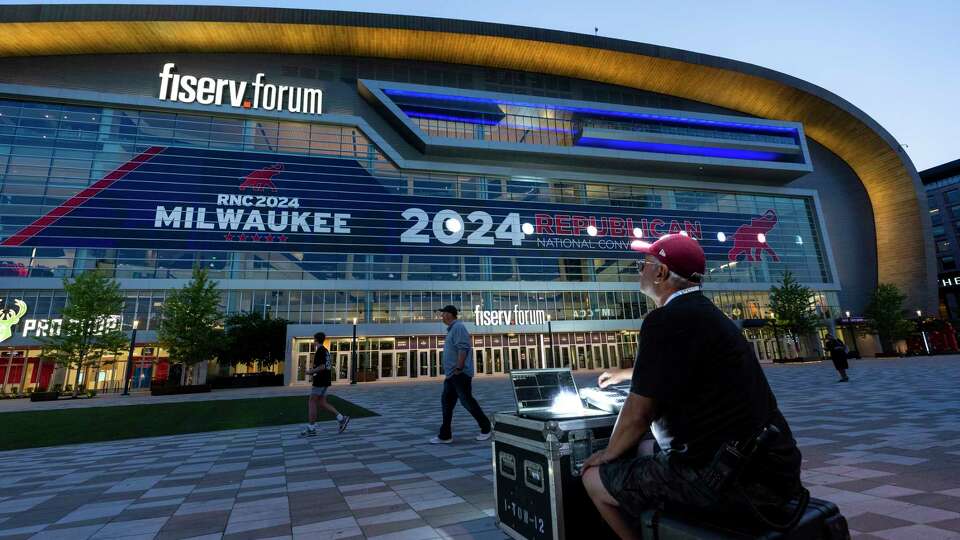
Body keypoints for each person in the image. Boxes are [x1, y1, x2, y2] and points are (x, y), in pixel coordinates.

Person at [580, 234, 804, 539]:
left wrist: (607, 454)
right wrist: (625, 375)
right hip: (772, 470)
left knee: (594, 478)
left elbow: (638, 415)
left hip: (727, 481)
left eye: (643, 264)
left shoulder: (664, 320)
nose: (639, 270)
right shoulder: (708, 315)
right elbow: (681, 368)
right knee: (646, 447)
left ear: (660, 273)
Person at [430, 305, 492, 444]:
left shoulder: (458, 327)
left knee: (467, 402)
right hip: (452, 376)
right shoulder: (452, 329)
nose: (441, 316)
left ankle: (486, 428)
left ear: (449, 314)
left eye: (443, 313)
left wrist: (459, 367)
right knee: (447, 403)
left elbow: (463, 348)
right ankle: (445, 435)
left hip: (459, 374)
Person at [300, 332, 350, 437]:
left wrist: (310, 372)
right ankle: (341, 418)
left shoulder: (320, 351)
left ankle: (311, 428)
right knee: (322, 402)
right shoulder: (326, 351)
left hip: (320, 380)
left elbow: (322, 367)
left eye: (314, 340)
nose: (313, 342)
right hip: (325, 380)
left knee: (312, 401)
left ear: (316, 340)